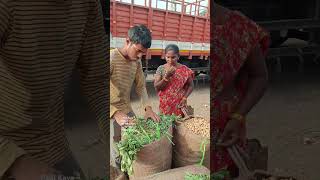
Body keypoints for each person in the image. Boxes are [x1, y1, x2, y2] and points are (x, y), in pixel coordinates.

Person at [0, 1, 108, 179]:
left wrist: (111, 134)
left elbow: (97, 78)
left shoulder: (87, 4)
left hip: (51, 144)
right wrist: (13, 160)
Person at [211, 2, 270, 177]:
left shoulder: (238, 26)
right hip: (187, 127)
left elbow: (259, 76)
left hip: (224, 129)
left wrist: (237, 117)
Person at [110, 24, 160, 172]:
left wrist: (148, 108)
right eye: (138, 51)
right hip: (110, 110)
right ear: (128, 41)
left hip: (126, 108)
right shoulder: (111, 58)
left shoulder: (136, 62)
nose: (139, 56)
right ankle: (120, 171)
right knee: (118, 143)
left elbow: (141, 86)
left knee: (134, 137)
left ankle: (131, 169)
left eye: (143, 53)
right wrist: (115, 113)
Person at [154, 44, 194, 117]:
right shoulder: (161, 68)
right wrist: (167, 76)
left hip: (179, 104)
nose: (170, 60)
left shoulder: (185, 70)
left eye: (173, 57)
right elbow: (157, 87)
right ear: (164, 56)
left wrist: (185, 98)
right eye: (168, 57)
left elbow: (191, 85)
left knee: (179, 125)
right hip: (165, 105)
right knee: (165, 124)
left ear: (178, 56)